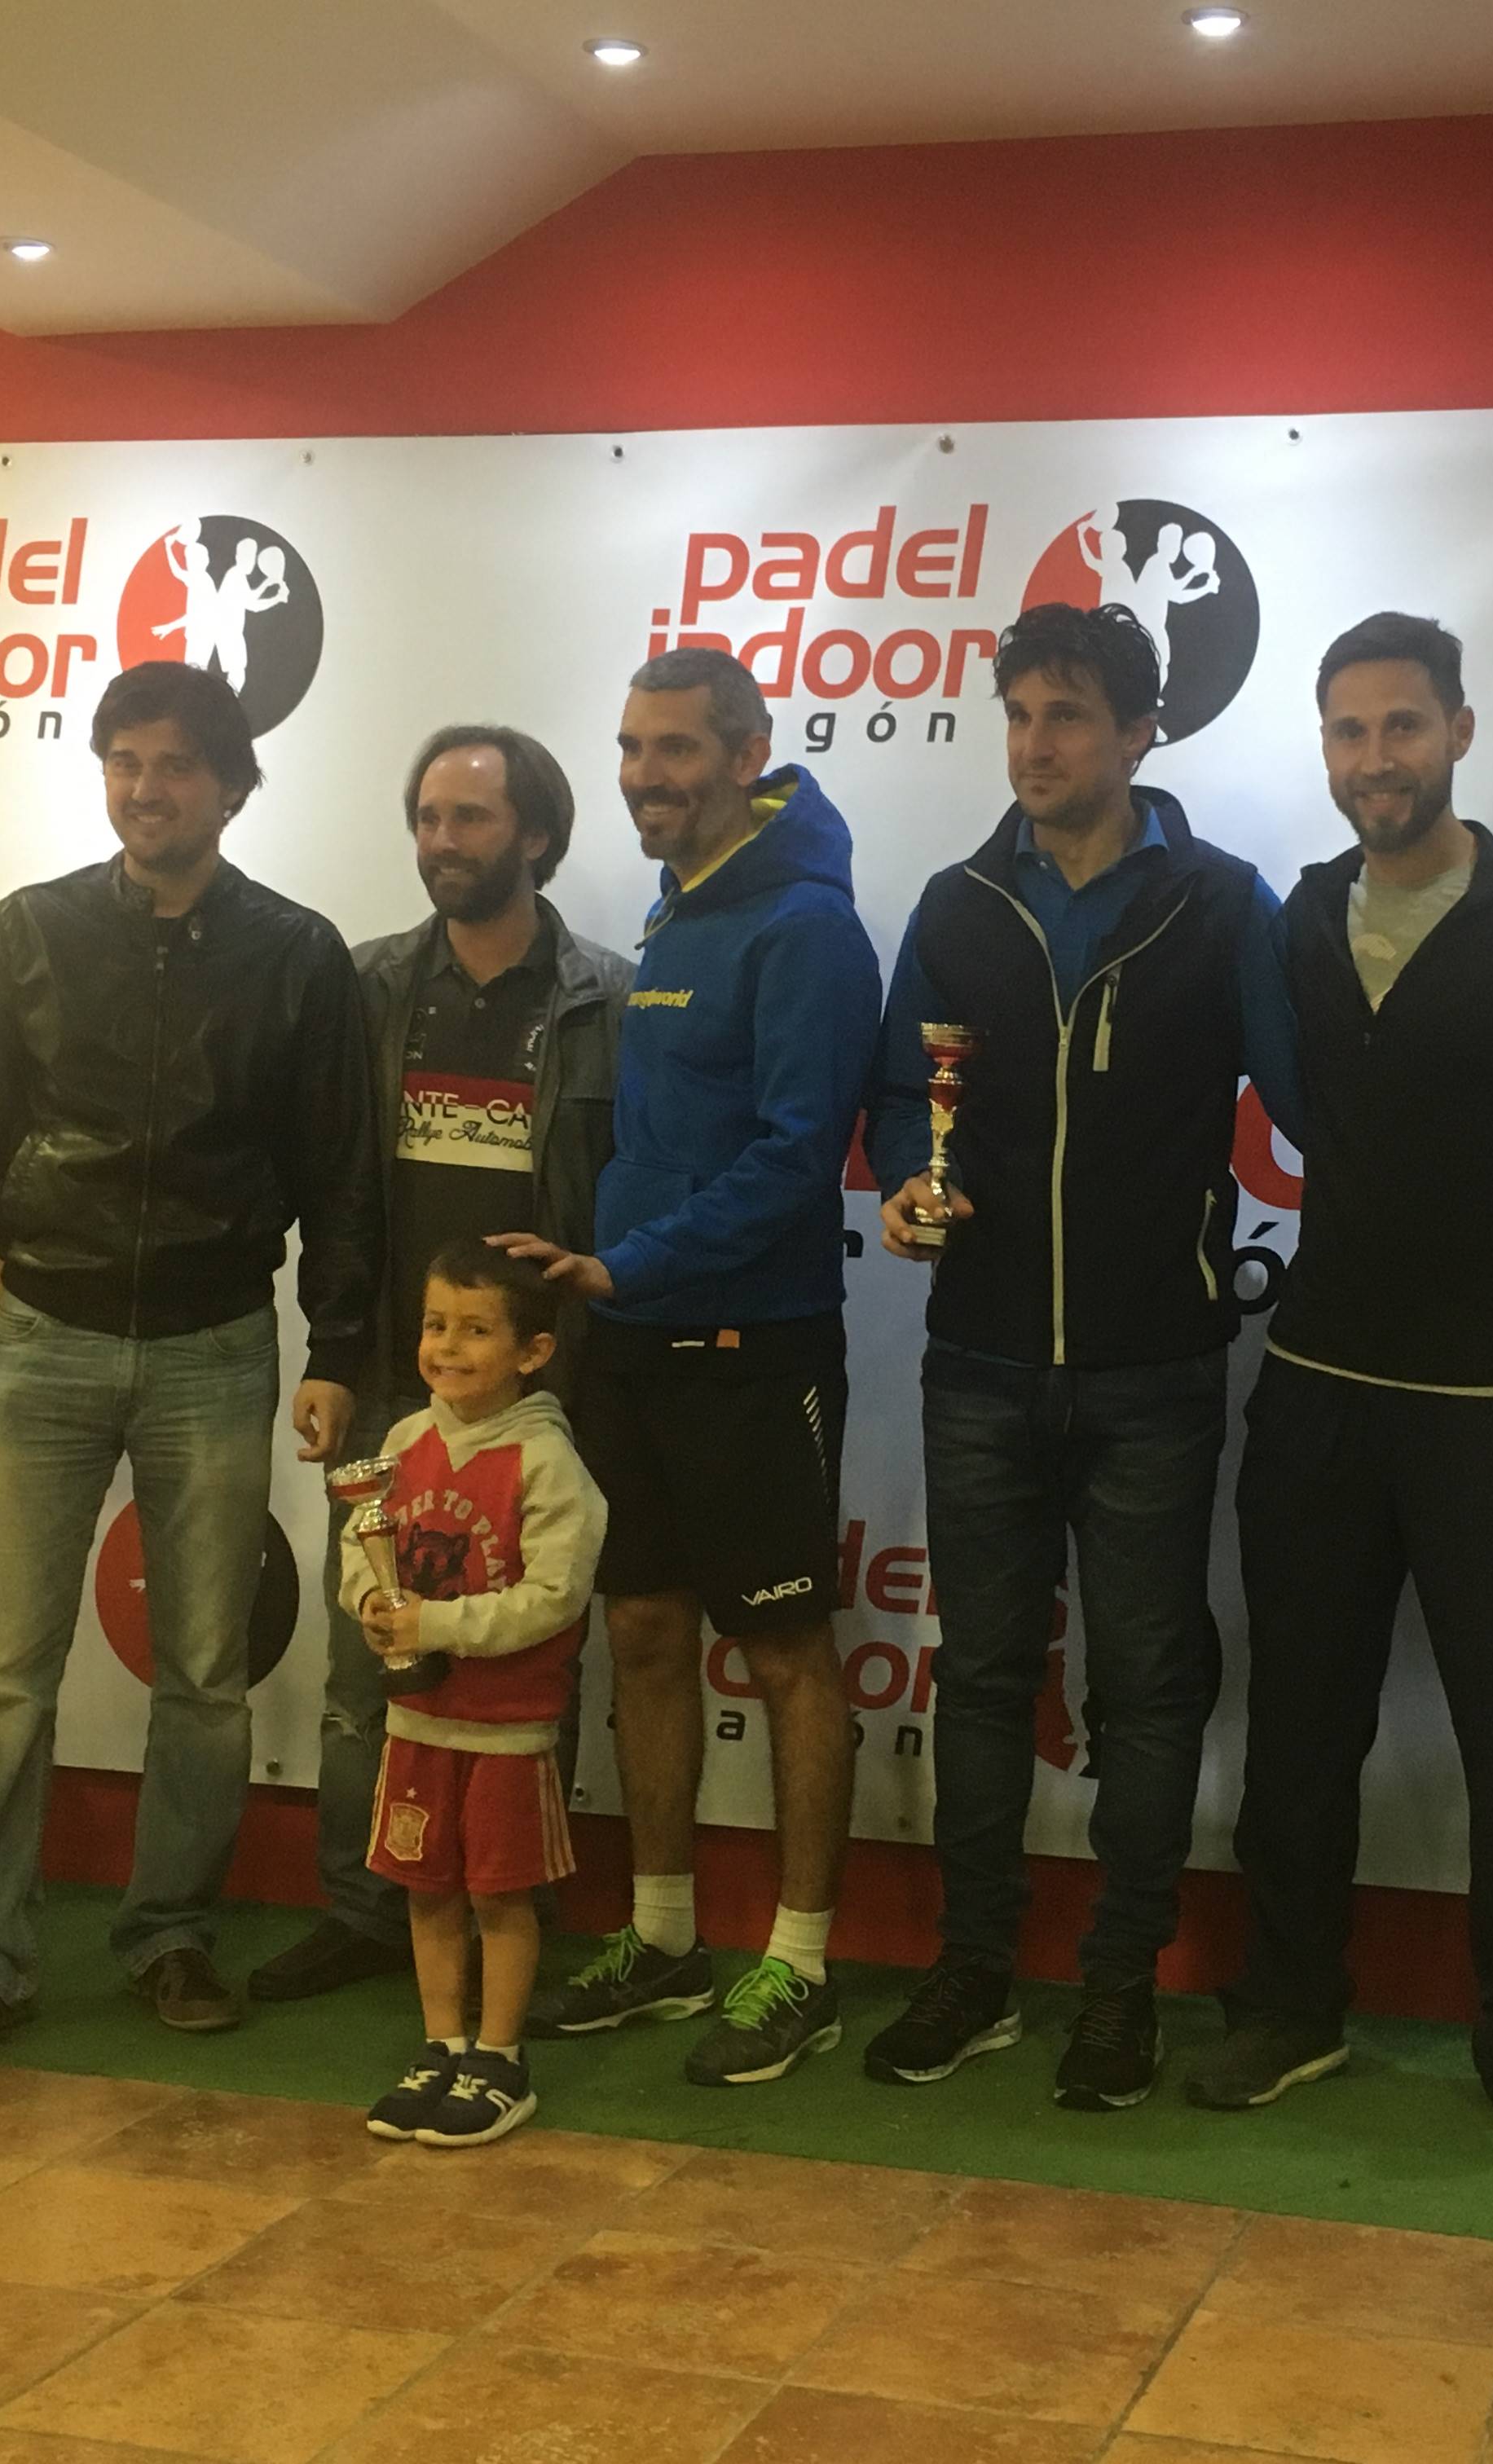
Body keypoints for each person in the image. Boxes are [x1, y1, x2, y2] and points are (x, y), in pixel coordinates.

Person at [1193, 612, 1493, 2159]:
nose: (1374, 758)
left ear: (1458, 729)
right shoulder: (1299, 922)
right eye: (1348, 732)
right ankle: (1288, 2008)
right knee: (1297, 1728)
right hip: (1319, 1385)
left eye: (1401, 725)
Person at [0, 659, 380, 2069]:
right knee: (3, 1674)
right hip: (38, 1337)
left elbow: (340, 1174)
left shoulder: (297, 954)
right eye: (123, 761)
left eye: (173, 764)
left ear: (231, 787)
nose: (144, 788)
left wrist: (339, 1345)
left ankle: (171, 1934)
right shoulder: (29, 931)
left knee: (207, 1673)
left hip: (216, 1348)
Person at [858, 602, 1304, 2111]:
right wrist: (904, 1187)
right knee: (983, 1676)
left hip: (1154, 1367)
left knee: (1148, 1690)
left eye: (1064, 715)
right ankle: (973, 1971)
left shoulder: (1222, 903)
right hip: (978, 1357)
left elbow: (1310, 1103)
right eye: (1017, 714)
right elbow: (894, 1101)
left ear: (1137, 733)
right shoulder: (958, 900)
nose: (1033, 744)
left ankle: (1120, 1989)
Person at [493, 646, 883, 2085]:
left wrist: (628, 1261)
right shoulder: (679, 904)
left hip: (752, 1349)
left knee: (786, 1655)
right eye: (629, 747)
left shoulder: (806, 924)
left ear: (744, 752)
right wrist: (610, 1273)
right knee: (645, 1633)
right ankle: (663, 1938)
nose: (642, 775)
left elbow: (797, 1157)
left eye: (672, 748)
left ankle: (802, 1962)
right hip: (635, 1342)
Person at [251, 724, 629, 2004]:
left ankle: (511, 1909)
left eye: (470, 818)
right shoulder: (364, 987)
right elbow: (334, 1189)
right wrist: (332, 1351)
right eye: (427, 817)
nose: (442, 842)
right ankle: (368, 1912)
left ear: (536, 833)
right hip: (388, 1378)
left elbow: (623, 1194)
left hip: (540, 1394)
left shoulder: (608, 999)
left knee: (527, 1664)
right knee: (368, 1659)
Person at [346, 1242, 607, 2148]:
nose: (447, 1348)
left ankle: (500, 2059)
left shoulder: (547, 1461)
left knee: (500, 1896)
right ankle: (441, 2045)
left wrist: (438, 1626)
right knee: (426, 1890)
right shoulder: (402, 1443)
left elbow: (554, 1598)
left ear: (533, 1353)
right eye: (435, 1325)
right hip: (417, 1722)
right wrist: (372, 1605)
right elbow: (363, 1546)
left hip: (506, 1730)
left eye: (475, 1331)